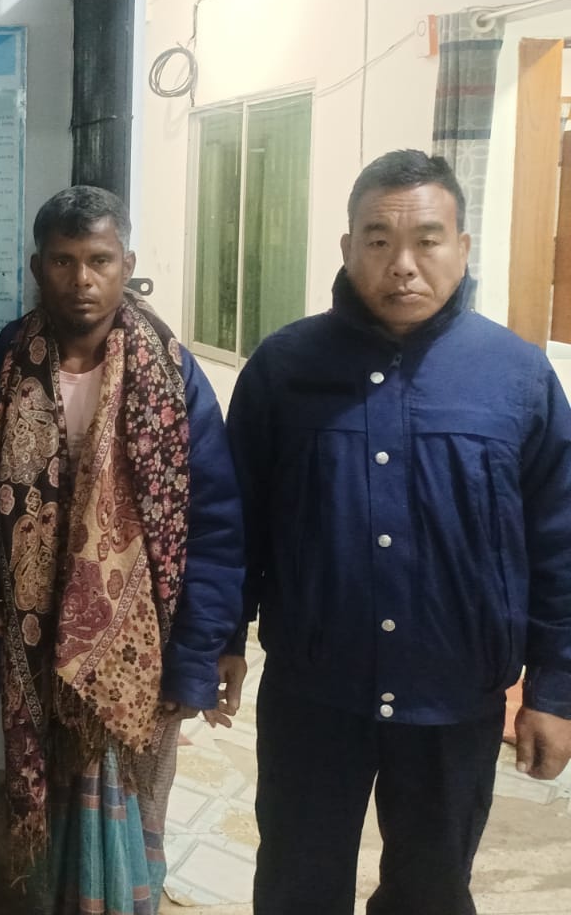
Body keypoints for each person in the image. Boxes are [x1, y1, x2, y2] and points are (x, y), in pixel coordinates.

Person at [227, 150, 571, 915]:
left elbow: (559, 543)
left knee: (432, 893)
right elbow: (236, 523)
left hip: (455, 698)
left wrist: (555, 689)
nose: (403, 265)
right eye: (379, 241)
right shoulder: (284, 369)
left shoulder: (517, 378)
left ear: (463, 247)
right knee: (294, 886)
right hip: (315, 693)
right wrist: (221, 639)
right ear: (347, 247)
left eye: (427, 240)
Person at [0, 186, 243, 914]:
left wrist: (196, 654)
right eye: (63, 261)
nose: (81, 280)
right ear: (37, 267)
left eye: (99, 260)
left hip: (143, 650)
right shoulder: (1, 369)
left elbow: (213, 524)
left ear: (128, 264)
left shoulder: (171, 374)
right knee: (51, 816)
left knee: (137, 815)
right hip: (35, 641)